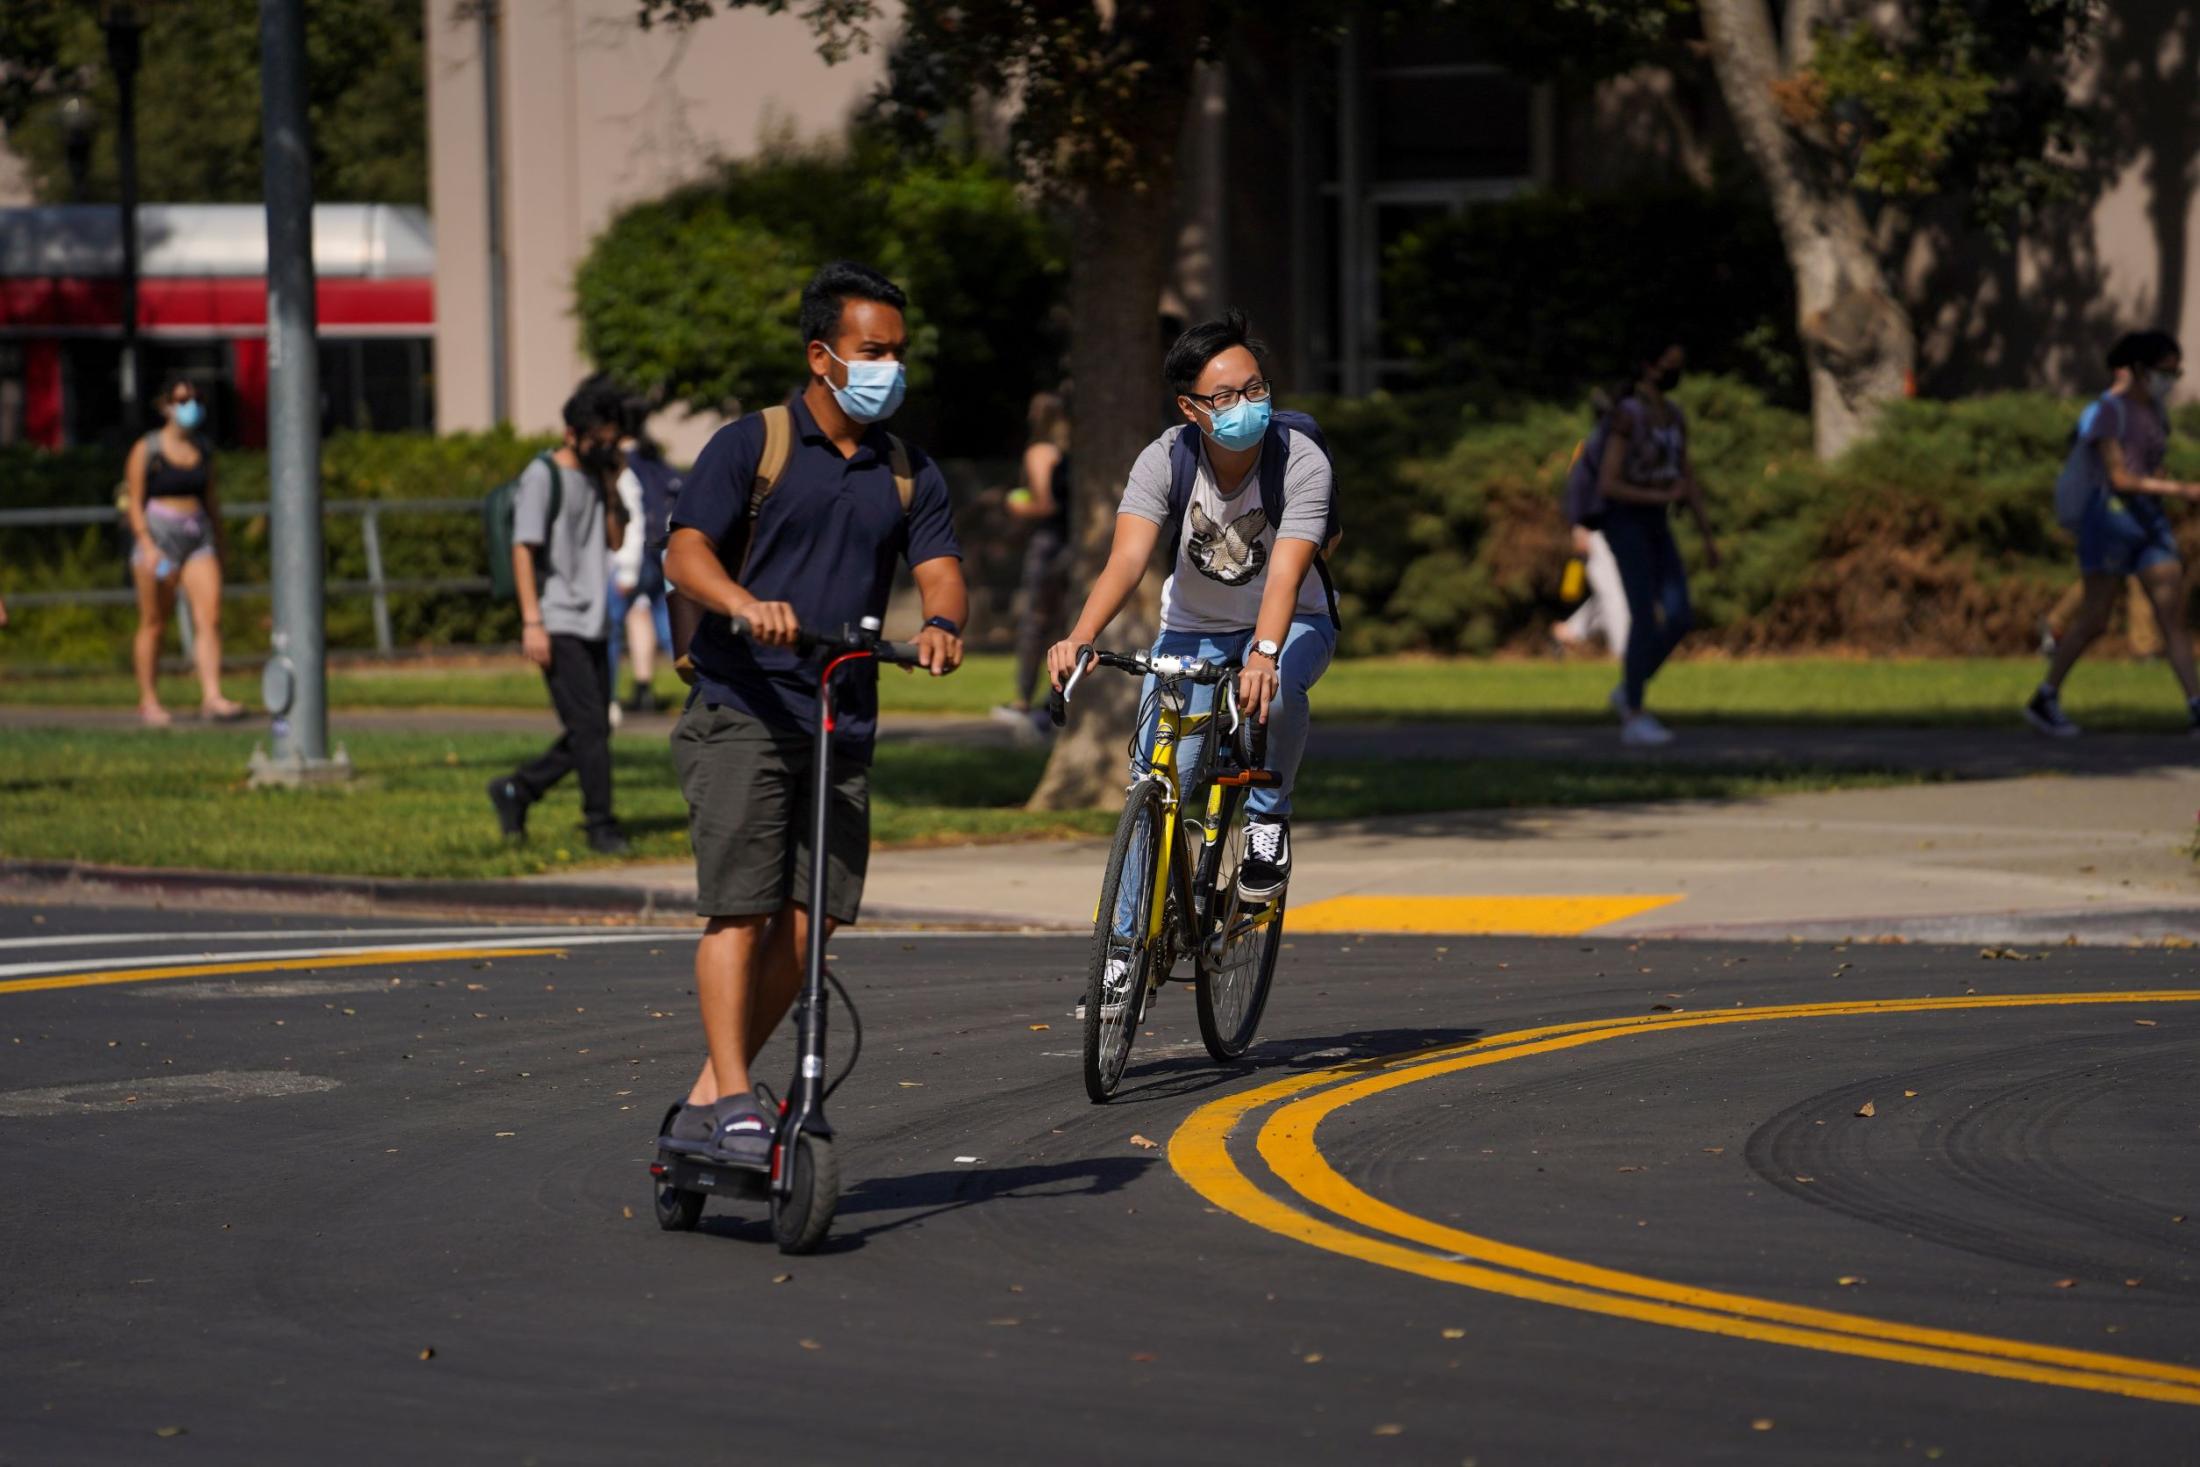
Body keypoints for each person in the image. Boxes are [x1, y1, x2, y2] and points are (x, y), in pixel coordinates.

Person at [659, 261, 967, 1162]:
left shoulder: (906, 469)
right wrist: (743, 602)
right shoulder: (752, 444)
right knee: (741, 913)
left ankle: (711, 1097)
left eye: (899, 353)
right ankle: (737, 1101)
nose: (890, 368)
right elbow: (685, 553)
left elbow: (939, 565)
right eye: (874, 351)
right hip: (743, 705)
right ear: (822, 356)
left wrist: (944, 621)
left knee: (812, 919)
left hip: (841, 716)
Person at [1046, 310, 1336, 902]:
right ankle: (1122, 964)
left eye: (1255, 389)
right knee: (1150, 786)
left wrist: (1264, 651)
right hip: (1192, 629)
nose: (1245, 404)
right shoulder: (1165, 459)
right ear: (1190, 408)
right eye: (1225, 396)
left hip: (1294, 621)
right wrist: (1080, 634)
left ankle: (1265, 821)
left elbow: (1285, 572)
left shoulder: (1302, 460)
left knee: (1274, 690)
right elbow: (1126, 561)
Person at [2026, 330, 2200, 737]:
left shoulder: (2156, 414)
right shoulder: (2109, 412)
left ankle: (2195, 705)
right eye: (2164, 372)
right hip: (2109, 521)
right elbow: (2120, 477)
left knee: (2172, 616)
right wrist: (2182, 491)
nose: (2170, 381)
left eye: (2177, 373)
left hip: (2150, 523)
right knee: (2095, 618)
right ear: (2138, 369)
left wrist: (2165, 490)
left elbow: (2150, 468)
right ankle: (2045, 696)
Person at [486, 376, 633, 854]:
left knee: (590, 729)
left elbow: (615, 541)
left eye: (613, 441)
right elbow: (523, 549)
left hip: (595, 619)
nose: (606, 448)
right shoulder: (541, 476)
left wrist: (611, 486)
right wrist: (533, 622)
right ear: (573, 433)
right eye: (599, 441)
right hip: (557, 618)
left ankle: (518, 789)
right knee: (590, 728)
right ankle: (600, 825)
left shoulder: (598, 477)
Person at [1594, 342, 1718, 747]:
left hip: (1657, 522)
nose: (1674, 373)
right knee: (1644, 615)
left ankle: (1630, 685)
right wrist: (1660, 498)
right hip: (1626, 520)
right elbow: (1608, 483)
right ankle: (1633, 714)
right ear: (1648, 367)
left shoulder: (1674, 417)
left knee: (1680, 615)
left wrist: (1706, 535)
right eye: (1669, 366)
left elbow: (1687, 479)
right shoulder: (1628, 416)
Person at [126, 376, 244, 727]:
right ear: (165, 406)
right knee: (154, 623)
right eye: (181, 400)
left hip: (198, 537)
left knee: (210, 616)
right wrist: (147, 546)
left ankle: (212, 695)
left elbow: (211, 500)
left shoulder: (204, 450)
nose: (190, 407)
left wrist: (221, 543)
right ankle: (148, 699)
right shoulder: (147, 449)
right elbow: (133, 503)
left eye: (195, 399)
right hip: (159, 541)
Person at [992, 389, 1074, 737]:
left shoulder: (1040, 452)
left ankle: (1025, 701)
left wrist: (1013, 505)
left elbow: (1045, 504)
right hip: (1075, 546)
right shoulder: (1076, 455)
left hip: (1049, 545)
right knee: (1064, 627)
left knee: (1035, 625)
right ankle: (1053, 701)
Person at [609, 394, 679, 718]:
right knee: (663, 622)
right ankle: (645, 686)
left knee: (609, 629)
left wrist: (625, 570)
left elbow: (632, 518)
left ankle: (607, 700)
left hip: (632, 558)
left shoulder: (620, 464)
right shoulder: (656, 461)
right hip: (660, 556)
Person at [1551, 524, 1630, 658]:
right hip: (1599, 537)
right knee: (1613, 600)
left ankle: (1569, 631)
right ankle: (1621, 649)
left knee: (1615, 599)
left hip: (1606, 537)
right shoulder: (1596, 556)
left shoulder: (1599, 551)